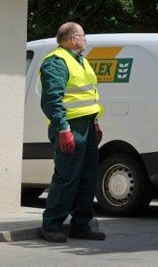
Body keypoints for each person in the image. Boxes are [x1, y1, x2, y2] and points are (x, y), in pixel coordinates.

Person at [38, 22, 106, 243]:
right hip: (70, 126)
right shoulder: (56, 61)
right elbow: (51, 100)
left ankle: (81, 224)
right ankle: (51, 225)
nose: (85, 40)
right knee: (67, 177)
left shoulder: (81, 61)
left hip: (86, 125)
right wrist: (63, 128)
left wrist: (94, 122)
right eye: (82, 36)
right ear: (71, 38)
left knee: (87, 178)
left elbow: (89, 96)